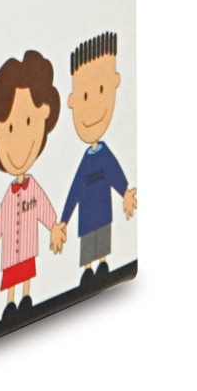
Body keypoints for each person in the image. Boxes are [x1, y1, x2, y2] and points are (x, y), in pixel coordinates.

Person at [0, 48, 67, 320]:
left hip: (27, 250)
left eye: (28, 122)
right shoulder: (10, 195)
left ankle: (26, 297)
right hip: (10, 254)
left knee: (26, 274)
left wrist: (54, 227)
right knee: (11, 277)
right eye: (10, 128)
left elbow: (45, 210)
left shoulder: (33, 188)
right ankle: (10, 303)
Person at [59, 31, 137, 286]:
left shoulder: (104, 154)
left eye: (101, 89)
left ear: (114, 83)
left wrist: (126, 192)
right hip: (87, 215)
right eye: (84, 96)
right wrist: (63, 221)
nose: (92, 106)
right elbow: (74, 191)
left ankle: (102, 263)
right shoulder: (85, 161)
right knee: (88, 242)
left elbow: (115, 174)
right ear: (73, 101)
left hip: (103, 211)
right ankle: (88, 268)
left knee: (102, 238)